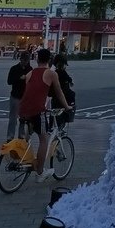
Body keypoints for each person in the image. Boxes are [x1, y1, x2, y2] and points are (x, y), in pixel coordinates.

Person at [18, 48, 72, 182]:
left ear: (37, 59)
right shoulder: (51, 74)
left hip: (23, 109)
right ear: (49, 60)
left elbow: (33, 92)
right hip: (37, 110)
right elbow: (59, 92)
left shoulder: (30, 73)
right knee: (44, 139)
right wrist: (66, 106)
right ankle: (40, 172)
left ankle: (27, 159)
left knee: (28, 136)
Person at [6, 51, 32, 140]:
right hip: (15, 95)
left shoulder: (30, 69)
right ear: (20, 59)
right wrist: (19, 78)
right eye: (24, 60)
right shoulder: (14, 69)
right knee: (13, 117)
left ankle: (22, 135)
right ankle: (10, 136)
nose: (26, 62)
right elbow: (9, 81)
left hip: (25, 96)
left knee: (24, 118)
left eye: (27, 60)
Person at [52, 54, 76, 128]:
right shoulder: (62, 72)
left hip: (55, 98)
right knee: (71, 96)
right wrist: (71, 81)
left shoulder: (54, 72)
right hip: (64, 97)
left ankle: (51, 127)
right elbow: (68, 78)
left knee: (54, 115)